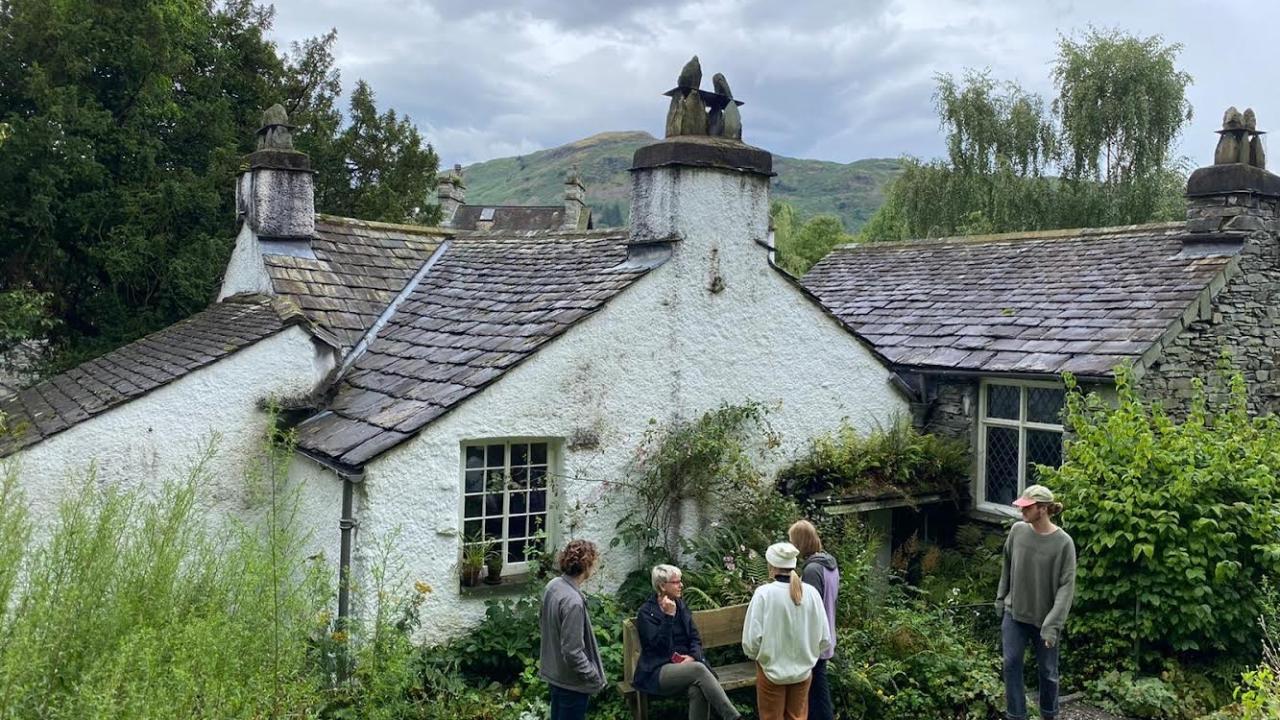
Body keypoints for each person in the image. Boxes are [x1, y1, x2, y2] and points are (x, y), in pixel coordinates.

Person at [996, 484, 1077, 720]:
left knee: (1048, 672)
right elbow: (1007, 567)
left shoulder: (1064, 544)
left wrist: (1052, 626)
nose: (1022, 511)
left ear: (1042, 509)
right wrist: (1001, 600)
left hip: (1045, 621)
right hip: (1014, 614)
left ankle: (1049, 715)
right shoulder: (1017, 532)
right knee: (1011, 664)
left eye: (1027, 507)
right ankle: (1016, 715)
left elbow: (1066, 588)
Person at [633, 564, 741, 720]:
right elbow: (658, 648)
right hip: (657, 670)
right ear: (662, 586)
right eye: (676, 582)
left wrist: (692, 657)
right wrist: (669, 617)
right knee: (698, 669)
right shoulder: (646, 613)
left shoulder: (681, 605)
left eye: (680, 581)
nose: (681, 585)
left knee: (698, 689)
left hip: (686, 668)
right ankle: (733, 717)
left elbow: (695, 638)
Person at [742, 542, 832, 720]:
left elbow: (751, 642)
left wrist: (762, 658)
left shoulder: (763, 594)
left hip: (770, 671)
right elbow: (824, 638)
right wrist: (808, 657)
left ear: (772, 566)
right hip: (803, 672)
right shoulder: (812, 593)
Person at [539, 539, 607, 720]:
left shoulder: (553, 586)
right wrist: (593, 675)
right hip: (572, 683)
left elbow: (543, 624)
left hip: (556, 676)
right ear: (587, 565)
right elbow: (572, 651)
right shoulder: (573, 601)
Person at [789, 520, 839, 720]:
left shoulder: (812, 571)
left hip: (814, 639)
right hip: (827, 634)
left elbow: (809, 608)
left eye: (792, 541)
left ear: (800, 542)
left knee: (816, 693)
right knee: (817, 688)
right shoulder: (829, 564)